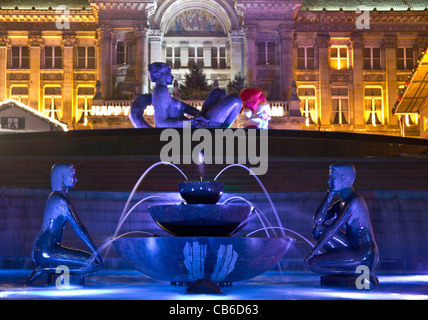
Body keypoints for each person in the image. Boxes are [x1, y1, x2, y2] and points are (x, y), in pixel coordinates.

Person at [26, 163, 103, 285]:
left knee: (91, 263)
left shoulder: (56, 197)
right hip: (45, 251)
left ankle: (44, 269)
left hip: (44, 249)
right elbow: (79, 228)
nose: (76, 179)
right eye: (72, 176)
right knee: (93, 263)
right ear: (62, 177)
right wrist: (96, 252)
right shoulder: (61, 201)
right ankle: (44, 269)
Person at [304, 163, 379, 287]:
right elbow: (317, 221)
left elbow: (333, 229)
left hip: (365, 254)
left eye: (332, 177)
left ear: (344, 178)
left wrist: (314, 252)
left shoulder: (355, 201)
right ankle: (356, 270)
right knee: (317, 230)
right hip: (350, 248)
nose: (329, 181)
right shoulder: (341, 203)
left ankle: (363, 270)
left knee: (313, 263)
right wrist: (329, 195)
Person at [129, 62, 242, 128]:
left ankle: (214, 126)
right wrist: (191, 123)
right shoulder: (160, 92)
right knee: (236, 100)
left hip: (195, 123)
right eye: (169, 73)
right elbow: (161, 123)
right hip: (193, 128)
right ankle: (222, 129)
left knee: (218, 93)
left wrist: (198, 114)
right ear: (162, 74)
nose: (172, 77)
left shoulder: (163, 90)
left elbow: (184, 107)